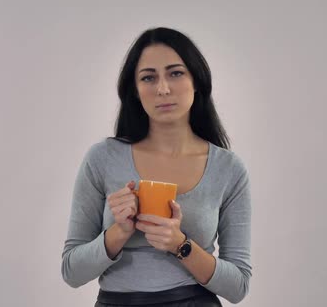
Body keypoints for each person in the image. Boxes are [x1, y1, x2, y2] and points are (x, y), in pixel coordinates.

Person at [61, 27, 252, 306]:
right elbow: (71, 272)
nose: (162, 88)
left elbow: (238, 286)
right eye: (148, 78)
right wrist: (118, 232)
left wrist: (180, 244)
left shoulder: (228, 169)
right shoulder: (102, 158)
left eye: (175, 73)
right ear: (136, 91)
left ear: (196, 80)